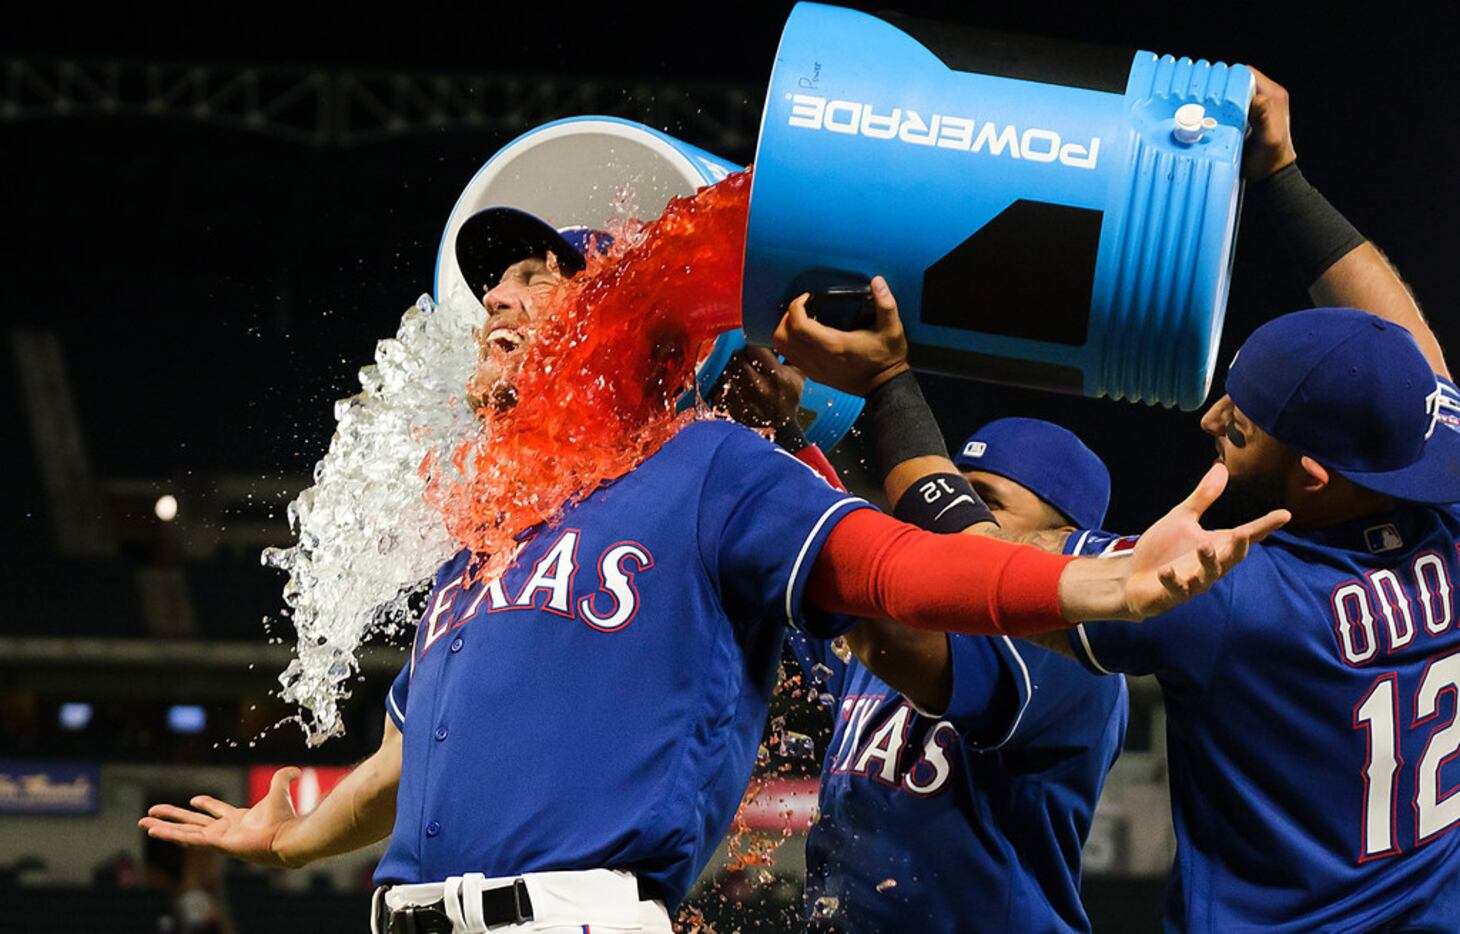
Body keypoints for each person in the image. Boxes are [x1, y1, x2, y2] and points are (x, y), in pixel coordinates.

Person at [139, 204, 1278, 934]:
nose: (496, 298)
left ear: (623, 332)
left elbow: (892, 570)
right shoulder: (484, 530)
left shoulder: (704, 468)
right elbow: (405, 755)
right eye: (500, 281)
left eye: (544, 277)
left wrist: (1101, 587)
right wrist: (292, 837)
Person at [775, 68, 1460, 933]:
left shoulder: (1236, 597)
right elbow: (1406, 356)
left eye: (1242, 426)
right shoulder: (1443, 515)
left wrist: (890, 387)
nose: (1212, 416)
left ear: (1315, 476)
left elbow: (984, 569)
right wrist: (1280, 176)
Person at [717, 354, 1127, 933]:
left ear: (1061, 540)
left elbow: (877, 616)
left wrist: (790, 465)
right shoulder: (906, 618)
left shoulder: (1070, 646)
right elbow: (840, 592)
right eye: (946, 495)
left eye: (983, 503)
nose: (946, 521)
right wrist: (781, 439)